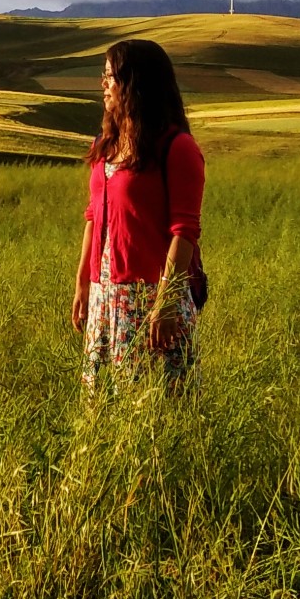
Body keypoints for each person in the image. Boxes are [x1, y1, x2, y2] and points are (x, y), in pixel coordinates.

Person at [70, 38, 204, 390]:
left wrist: (165, 304)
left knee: (156, 419)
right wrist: (83, 283)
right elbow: (92, 217)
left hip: (149, 304)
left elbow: (184, 231)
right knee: (100, 415)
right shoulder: (106, 146)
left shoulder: (178, 148)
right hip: (103, 300)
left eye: (111, 76)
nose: (103, 84)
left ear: (135, 84)